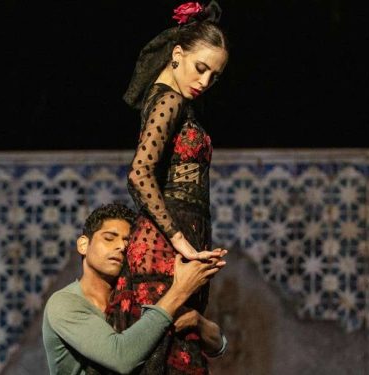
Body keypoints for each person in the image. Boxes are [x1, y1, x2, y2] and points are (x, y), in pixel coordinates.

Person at [108, 1, 230, 374]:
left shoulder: (173, 101)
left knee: (177, 347)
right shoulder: (169, 100)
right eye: (200, 68)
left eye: (215, 75)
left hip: (175, 241)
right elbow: (139, 174)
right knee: (166, 356)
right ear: (177, 54)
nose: (205, 82)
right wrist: (180, 240)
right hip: (163, 246)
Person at [42, 203, 227, 375]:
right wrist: (180, 290)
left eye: (127, 241)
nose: (121, 246)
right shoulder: (64, 303)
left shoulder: (133, 297)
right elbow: (121, 357)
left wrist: (197, 321)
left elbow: (219, 346)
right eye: (109, 238)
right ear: (83, 245)